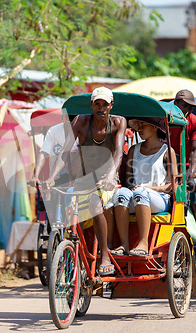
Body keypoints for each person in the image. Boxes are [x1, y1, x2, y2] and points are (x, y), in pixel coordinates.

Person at [45, 87, 127, 276]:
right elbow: (65, 153)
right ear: (91, 105)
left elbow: (117, 153)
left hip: (108, 176)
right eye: (97, 104)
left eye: (105, 104)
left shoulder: (118, 122)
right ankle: (73, 257)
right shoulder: (81, 121)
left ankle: (104, 256)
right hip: (84, 177)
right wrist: (51, 177)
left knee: (94, 204)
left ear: (111, 106)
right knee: (73, 215)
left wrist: (109, 177)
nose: (101, 108)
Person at [111, 117, 177, 256]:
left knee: (141, 192)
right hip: (136, 195)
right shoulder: (134, 149)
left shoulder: (167, 151)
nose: (139, 129)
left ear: (155, 127)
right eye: (138, 125)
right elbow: (128, 181)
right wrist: (132, 187)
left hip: (159, 199)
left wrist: (147, 188)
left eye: (143, 125)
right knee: (120, 193)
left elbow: (172, 185)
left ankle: (143, 243)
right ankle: (124, 244)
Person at [170, 90, 196, 190]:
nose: (187, 110)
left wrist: (191, 176)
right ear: (175, 104)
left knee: (194, 186)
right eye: (185, 106)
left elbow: (194, 151)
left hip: (185, 166)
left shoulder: (195, 122)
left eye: (191, 108)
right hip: (165, 164)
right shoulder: (165, 119)